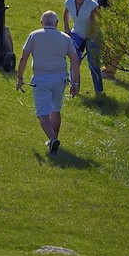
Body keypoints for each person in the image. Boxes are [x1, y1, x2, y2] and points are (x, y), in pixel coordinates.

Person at [16, 10, 82, 156]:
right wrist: (75, 83)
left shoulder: (34, 35)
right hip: (60, 79)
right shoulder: (65, 38)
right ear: (56, 23)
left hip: (41, 79)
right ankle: (54, 140)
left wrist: (20, 77)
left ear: (42, 23)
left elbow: (23, 58)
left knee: (43, 113)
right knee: (55, 110)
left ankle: (52, 139)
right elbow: (75, 61)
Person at [62, 0, 103, 97]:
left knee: (93, 64)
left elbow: (97, 22)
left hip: (92, 35)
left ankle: (98, 91)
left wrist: (93, 35)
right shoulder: (69, 3)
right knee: (74, 61)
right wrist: (67, 28)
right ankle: (74, 89)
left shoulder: (92, 5)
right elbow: (66, 13)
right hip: (77, 34)